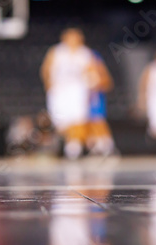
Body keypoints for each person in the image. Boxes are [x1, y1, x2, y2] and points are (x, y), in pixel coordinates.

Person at [41, 28, 98, 160]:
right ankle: (68, 143)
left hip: (78, 90)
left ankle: (74, 148)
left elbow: (92, 71)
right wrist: (48, 85)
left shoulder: (85, 53)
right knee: (60, 121)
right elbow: (46, 69)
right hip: (59, 91)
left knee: (78, 118)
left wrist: (92, 83)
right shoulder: (56, 52)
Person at [87, 51, 116, 156]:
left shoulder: (97, 66)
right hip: (79, 100)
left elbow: (108, 83)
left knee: (97, 121)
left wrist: (95, 84)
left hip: (94, 98)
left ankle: (106, 146)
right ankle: (94, 146)